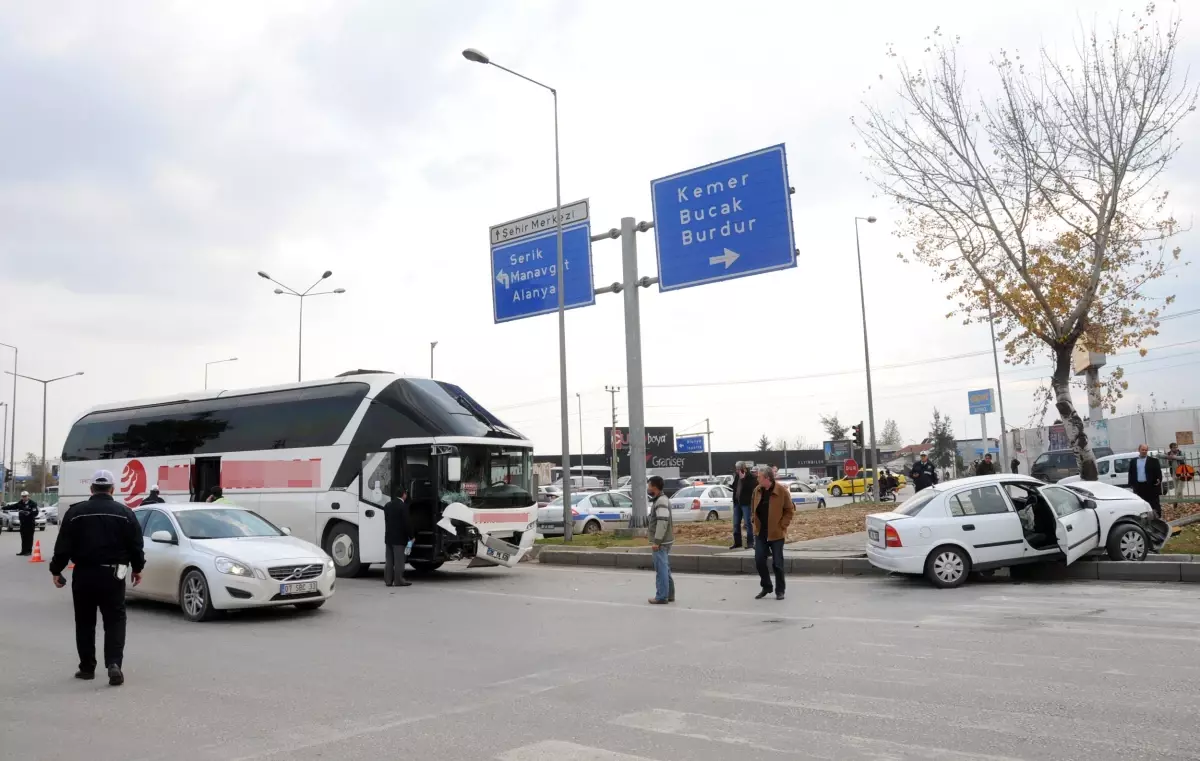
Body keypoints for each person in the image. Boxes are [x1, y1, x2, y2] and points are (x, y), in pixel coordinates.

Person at [48, 470, 145, 687]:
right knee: (115, 620)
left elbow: (63, 546)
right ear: (112, 489)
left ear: (91, 489)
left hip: (84, 573)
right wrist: (137, 568)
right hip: (113, 575)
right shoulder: (125, 513)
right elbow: (136, 546)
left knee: (84, 622)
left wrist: (56, 570)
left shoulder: (76, 513)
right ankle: (114, 663)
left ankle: (86, 668)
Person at [751, 466, 794, 601]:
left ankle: (780, 590)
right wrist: (753, 521)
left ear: (767, 478)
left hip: (776, 533)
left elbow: (789, 510)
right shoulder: (757, 491)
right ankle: (766, 586)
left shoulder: (782, 491)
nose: (757, 479)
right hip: (761, 533)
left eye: (759, 477)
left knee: (777, 563)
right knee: (759, 560)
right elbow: (753, 508)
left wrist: (782, 526)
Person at [647, 475, 674, 605]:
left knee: (661, 569)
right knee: (665, 568)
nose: (648, 488)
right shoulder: (660, 500)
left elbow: (662, 522)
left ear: (654, 487)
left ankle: (662, 596)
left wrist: (657, 541)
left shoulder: (661, 502)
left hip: (662, 541)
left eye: (649, 486)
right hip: (665, 540)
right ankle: (669, 594)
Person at [382, 489, 412, 587]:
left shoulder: (387, 505)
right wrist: (412, 536)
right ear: (403, 495)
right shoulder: (403, 507)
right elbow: (407, 524)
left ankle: (388, 580)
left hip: (389, 537)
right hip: (399, 538)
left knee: (389, 560)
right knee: (399, 560)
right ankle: (398, 581)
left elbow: (386, 520)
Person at [1128, 444, 1163, 518]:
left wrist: (1159, 479)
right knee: (1141, 503)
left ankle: (1157, 518)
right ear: (1139, 450)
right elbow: (1130, 473)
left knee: (1154, 503)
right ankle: (1143, 517)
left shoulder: (1153, 461)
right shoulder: (1133, 461)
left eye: (1146, 450)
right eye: (1142, 450)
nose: (1144, 451)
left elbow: (1158, 473)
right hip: (1139, 486)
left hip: (1150, 486)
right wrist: (1131, 484)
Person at [729, 463, 756, 550]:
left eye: (738, 470)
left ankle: (750, 542)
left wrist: (743, 479)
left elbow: (750, 488)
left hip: (745, 503)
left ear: (743, 469)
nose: (737, 471)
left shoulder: (751, 477)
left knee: (747, 523)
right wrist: (731, 486)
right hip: (737, 503)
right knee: (736, 523)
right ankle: (737, 542)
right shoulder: (737, 476)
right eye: (736, 470)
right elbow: (735, 486)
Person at [10, 490, 39, 556]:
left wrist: (29, 513)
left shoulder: (32, 503)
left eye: (25, 496)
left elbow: (36, 512)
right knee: (23, 538)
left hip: (30, 524)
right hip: (23, 524)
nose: (24, 498)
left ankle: (28, 551)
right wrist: (3, 508)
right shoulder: (20, 503)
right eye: (23, 496)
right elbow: (13, 506)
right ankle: (23, 551)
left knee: (29, 538)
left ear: (28, 496)